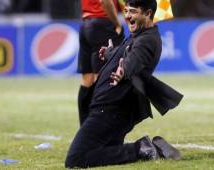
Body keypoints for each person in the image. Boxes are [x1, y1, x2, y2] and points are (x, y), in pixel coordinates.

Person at [65, 0, 183, 168]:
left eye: (133, 11)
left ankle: (141, 149)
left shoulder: (147, 40)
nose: (127, 15)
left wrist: (124, 70)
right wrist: (109, 53)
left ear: (148, 14)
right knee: (106, 150)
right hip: (111, 108)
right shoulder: (139, 35)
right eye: (126, 11)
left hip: (111, 110)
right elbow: (127, 53)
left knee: (75, 159)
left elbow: (134, 60)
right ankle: (151, 148)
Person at [77, 0, 125, 126]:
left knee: (87, 80)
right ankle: (98, 126)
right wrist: (117, 23)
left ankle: (85, 127)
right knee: (103, 79)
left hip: (85, 24)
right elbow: (105, 1)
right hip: (102, 23)